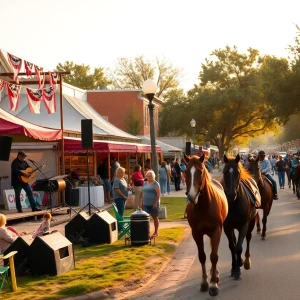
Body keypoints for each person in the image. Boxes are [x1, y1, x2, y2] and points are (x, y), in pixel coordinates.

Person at [143, 170, 160, 237]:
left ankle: (156, 232)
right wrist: (141, 203)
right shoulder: (145, 183)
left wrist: (155, 203)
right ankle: (146, 232)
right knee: (146, 218)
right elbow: (143, 193)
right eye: (147, 176)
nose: (148, 177)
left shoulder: (155, 184)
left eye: (150, 176)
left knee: (155, 217)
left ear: (153, 176)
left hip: (153, 204)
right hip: (145, 204)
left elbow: (158, 194)